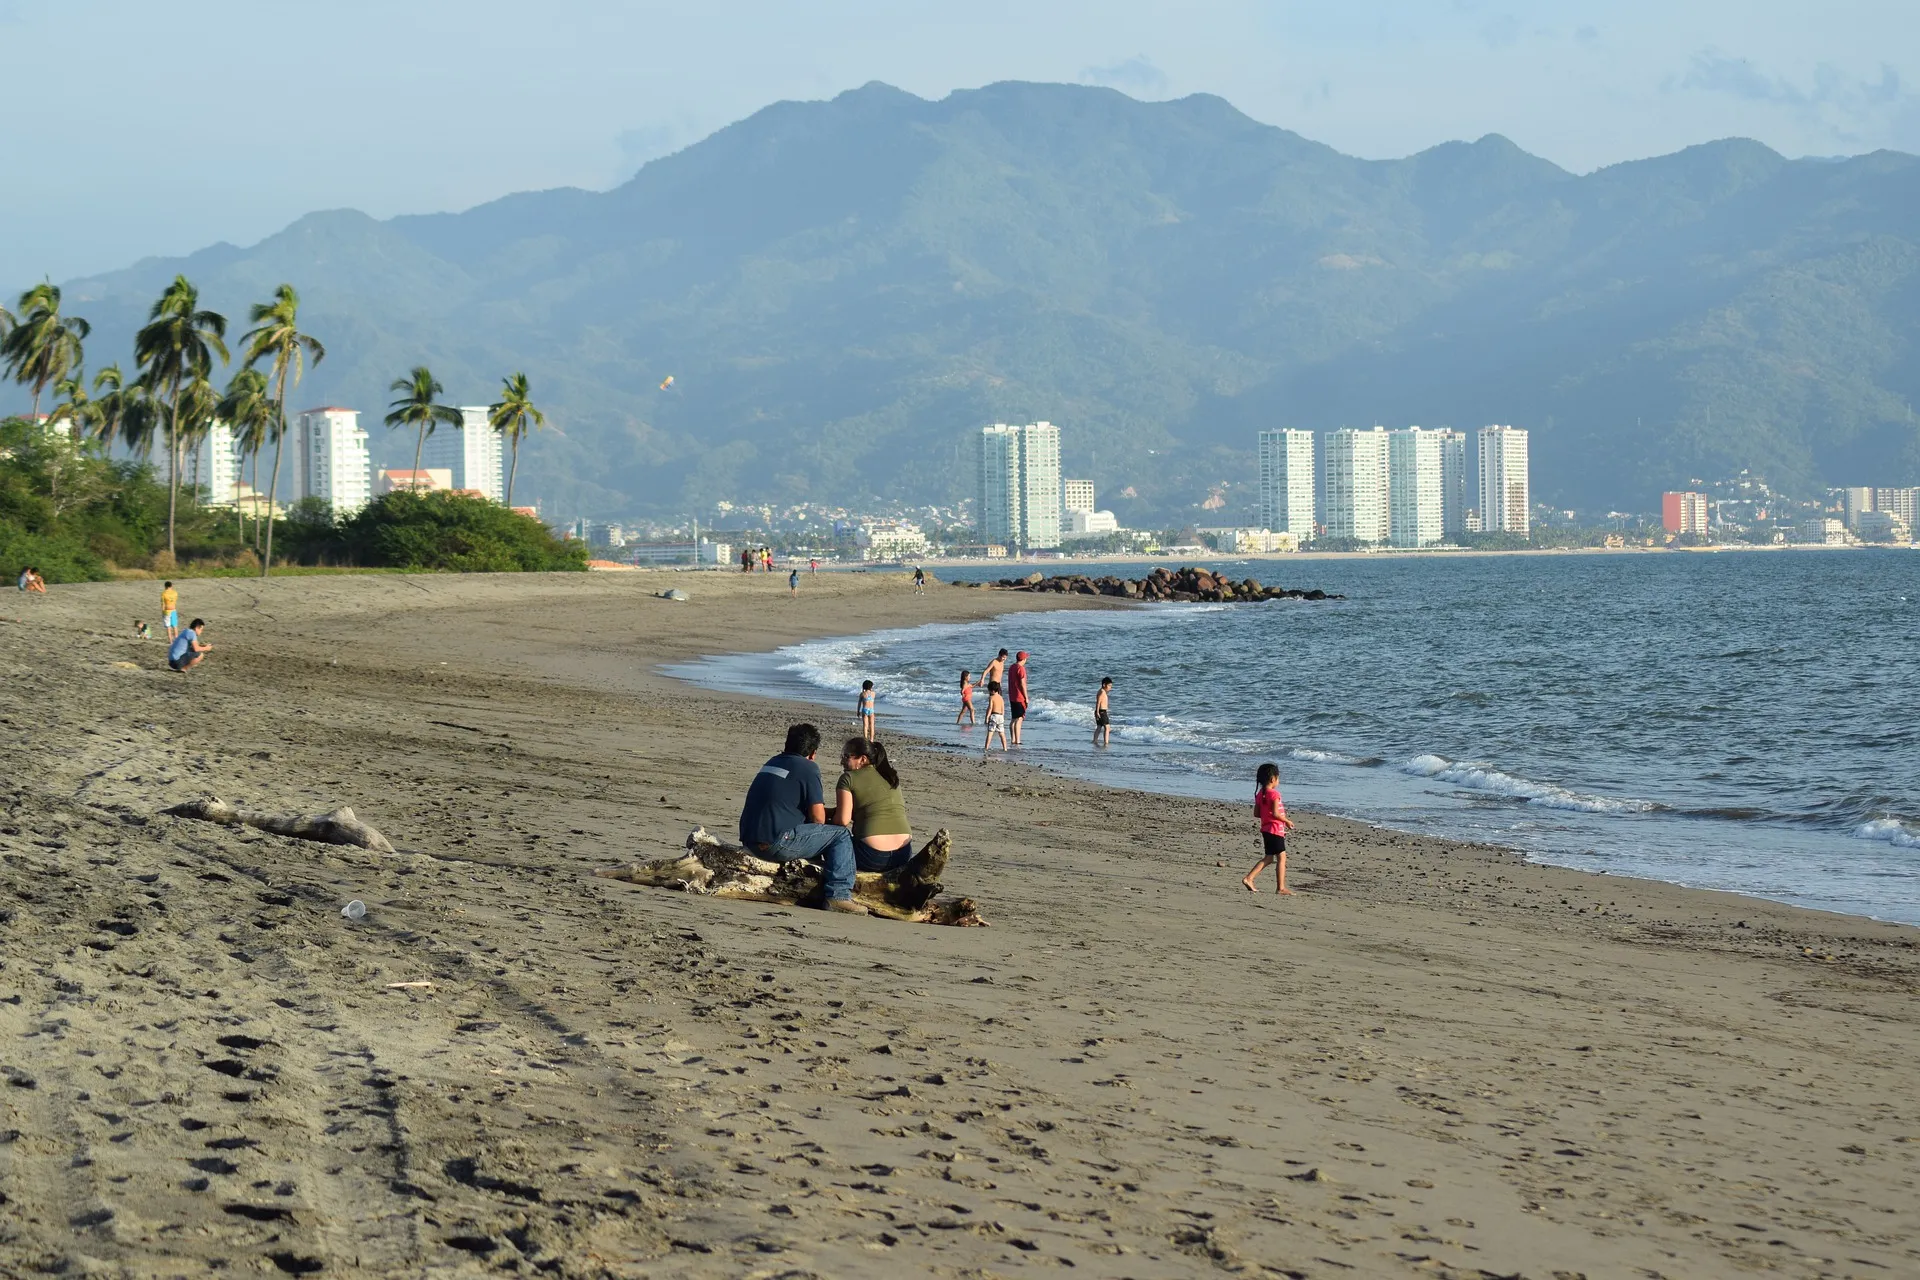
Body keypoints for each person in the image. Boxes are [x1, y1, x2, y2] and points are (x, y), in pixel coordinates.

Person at [738, 723, 865, 914]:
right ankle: (839, 895)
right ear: (813, 753)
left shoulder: (773, 762)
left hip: (750, 838)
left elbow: (790, 806)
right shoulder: (808, 768)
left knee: (819, 831)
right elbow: (818, 818)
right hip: (775, 842)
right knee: (840, 835)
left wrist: (831, 812)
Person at [834, 737, 919, 875]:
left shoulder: (848, 778)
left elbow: (843, 820)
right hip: (903, 854)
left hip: (872, 856)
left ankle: (837, 886)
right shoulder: (890, 777)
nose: (842, 761)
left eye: (846, 756)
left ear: (862, 759)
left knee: (835, 835)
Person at [1242, 762, 1296, 894]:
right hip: (1275, 830)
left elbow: (1256, 814)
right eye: (1278, 778)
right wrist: (1287, 821)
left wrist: (1267, 815)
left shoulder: (1260, 794)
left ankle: (1250, 878)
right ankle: (1280, 887)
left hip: (1266, 830)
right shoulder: (1274, 794)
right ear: (1273, 779)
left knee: (1269, 858)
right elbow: (1276, 813)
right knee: (1281, 858)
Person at [1006, 650, 1031, 746]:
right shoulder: (1021, 669)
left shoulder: (1012, 667)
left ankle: (1013, 739)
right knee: (1019, 719)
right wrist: (1026, 697)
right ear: (1023, 659)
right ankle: (1017, 740)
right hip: (1019, 697)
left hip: (1012, 695)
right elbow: (1022, 684)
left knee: (1013, 719)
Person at [982, 683, 1009, 757]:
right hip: (1000, 716)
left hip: (994, 715)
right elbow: (1003, 709)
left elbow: (990, 708)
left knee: (990, 732)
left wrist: (987, 717)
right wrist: (1002, 716)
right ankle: (1005, 748)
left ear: (992, 690)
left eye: (989, 690)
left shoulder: (992, 697)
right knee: (1002, 733)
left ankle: (986, 748)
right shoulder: (1001, 697)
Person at [1093, 676, 1114, 747]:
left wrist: (1097, 711)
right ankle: (1106, 742)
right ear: (1104, 685)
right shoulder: (1102, 692)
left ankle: (1095, 740)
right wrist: (1097, 712)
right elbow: (1098, 702)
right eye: (1109, 686)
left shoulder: (1101, 691)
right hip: (1102, 712)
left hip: (1101, 711)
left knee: (1099, 726)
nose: (1110, 687)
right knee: (1107, 727)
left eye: (1111, 686)